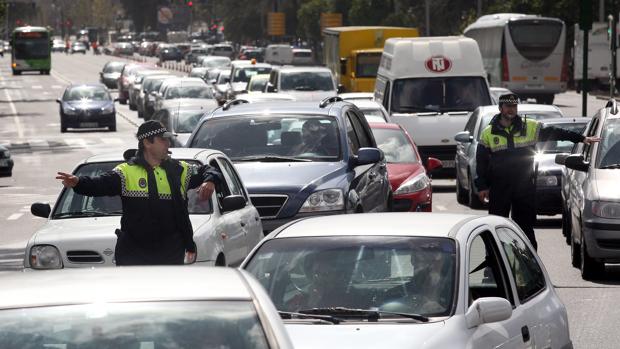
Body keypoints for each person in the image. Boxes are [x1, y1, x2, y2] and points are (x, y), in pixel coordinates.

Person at [56, 121, 222, 265]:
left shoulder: (180, 170)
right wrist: (78, 182)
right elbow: (100, 185)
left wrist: (210, 181)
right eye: (163, 140)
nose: (168, 144)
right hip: (134, 254)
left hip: (171, 253)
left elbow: (211, 169)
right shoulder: (126, 172)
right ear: (147, 143)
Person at [475, 94, 600, 249]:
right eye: (508, 107)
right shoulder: (488, 133)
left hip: (524, 187)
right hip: (499, 188)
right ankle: (494, 264)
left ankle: (531, 266)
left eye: (514, 106)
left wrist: (581, 139)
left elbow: (556, 132)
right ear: (500, 108)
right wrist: (482, 186)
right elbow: (481, 162)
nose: (511, 110)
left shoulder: (530, 127)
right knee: (495, 227)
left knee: (525, 229)